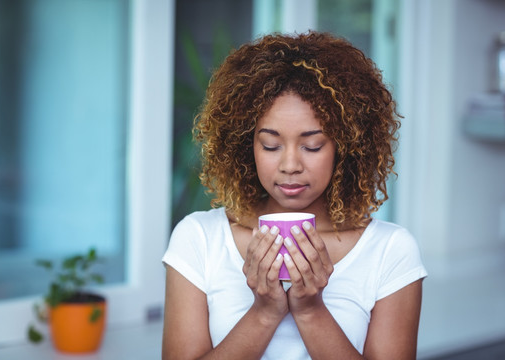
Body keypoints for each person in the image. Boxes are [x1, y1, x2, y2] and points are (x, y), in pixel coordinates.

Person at [162, 31, 427, 360]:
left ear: (344, 147)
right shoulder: (200, 239)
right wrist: (264, 313)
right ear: (248, 145)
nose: (290, 165)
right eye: (271, 145)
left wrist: (311, 311)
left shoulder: (390, 251)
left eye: (312, 145)